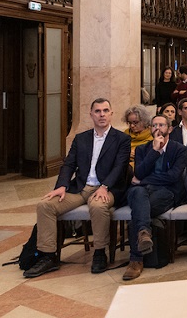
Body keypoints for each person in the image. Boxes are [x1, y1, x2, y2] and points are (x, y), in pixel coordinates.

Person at [24, 98, 131, 278]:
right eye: (97, 111)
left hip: (107, 189)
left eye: (105, 110)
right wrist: (62, 186)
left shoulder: (121, 139)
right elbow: (68, 164)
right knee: (45, 205)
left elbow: (120, 167)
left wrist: (105, 186)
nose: (102, 114)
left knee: (97, 206)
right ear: (91, 115)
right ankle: (48, 256)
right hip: (80, 188)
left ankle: (99, 253)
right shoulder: (81, 139)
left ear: (111, 114)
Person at [122, 114, 187, 281]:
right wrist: (155, 152)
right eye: (154, 125)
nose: (157, 128)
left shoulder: (179, 150)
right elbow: (139, 172)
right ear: (150, 129)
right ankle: (144, 233)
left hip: (165, 192)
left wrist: (143, 180)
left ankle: (136, 260)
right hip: (141, 191)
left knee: (138, 211)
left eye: (161, 125)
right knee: (137, 193)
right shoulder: (143, 150)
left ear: (170, 129)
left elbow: (173, 177)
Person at [123, 105, 153, 171]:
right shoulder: (124, 135)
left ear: (144, 121)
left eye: (135, 122)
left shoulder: (152, 136)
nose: (132, 126)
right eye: (129, 123)